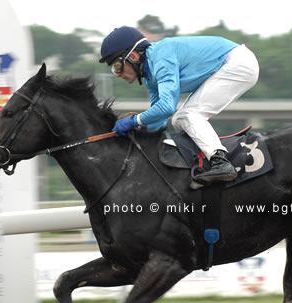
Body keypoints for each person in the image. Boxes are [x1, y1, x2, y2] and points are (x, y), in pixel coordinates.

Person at [99, 26, 259, 184]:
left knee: (188, 115)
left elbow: (166, 107)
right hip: (231, 63)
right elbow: (160, 119)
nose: (117, 74)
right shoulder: (149, 76)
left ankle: (221, 162)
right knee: (178, 120)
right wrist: (139, 129)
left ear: (133, 56)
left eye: (117, 66)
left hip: (238, 63)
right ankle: (203, 162)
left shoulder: (161, 59)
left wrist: (134, 121)